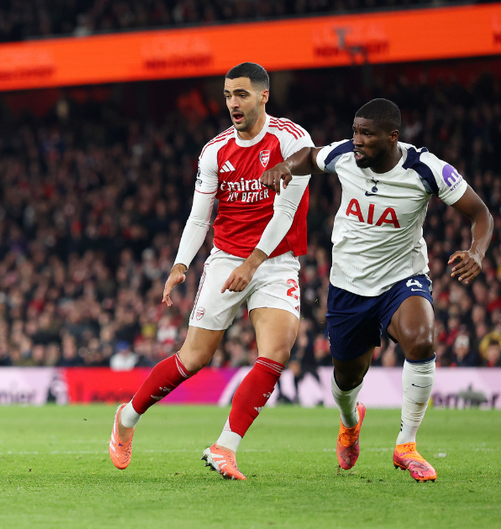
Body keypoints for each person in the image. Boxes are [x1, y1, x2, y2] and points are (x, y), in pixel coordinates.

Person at [261, 98, 492, 482]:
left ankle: (406, 445)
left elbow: (480, 213)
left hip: (402, 278)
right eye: (355, 131)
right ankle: (350, 422)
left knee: (421, 339)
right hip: (348, 286)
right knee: (347, 378)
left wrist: (477, 252)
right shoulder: (344, 156)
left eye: (366, 134)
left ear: (392, 137)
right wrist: (285, 166)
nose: (357, 140)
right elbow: (310, 156)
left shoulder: (427, 169)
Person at [108, 62, 313, 480]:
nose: (233, 103)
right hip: (226, 259)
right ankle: (127, 416)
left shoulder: (293, 141)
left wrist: (253, 263)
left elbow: (287, 210)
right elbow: (199, 217)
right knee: (194, 358)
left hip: (275, 260)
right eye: (227, 95)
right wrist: (180, 264)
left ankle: (224, 447)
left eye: (241, 94)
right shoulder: (215, 150)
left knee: (276, 350)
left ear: (263, 96)